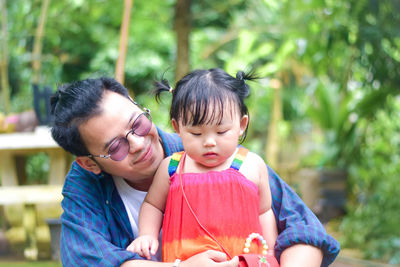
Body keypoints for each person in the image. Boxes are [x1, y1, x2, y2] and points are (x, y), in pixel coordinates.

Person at [50, 77, 339, 267]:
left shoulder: (208, 152)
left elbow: (304, 229)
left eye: (137, 123)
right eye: (116, 146)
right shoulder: (85, 185)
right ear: (90, 162)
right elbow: (86, 259)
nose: (138, 143)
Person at [128, 69, 279, 267]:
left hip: (242, 259)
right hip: (185, 260)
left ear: (241, 124)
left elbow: (264, 212)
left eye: (221, 131)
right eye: (196, 133)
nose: (209, 142)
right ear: (177, 128)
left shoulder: (252, 165)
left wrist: (270, 255)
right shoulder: (172, 167)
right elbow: (153, 205)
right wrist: (147, 235)